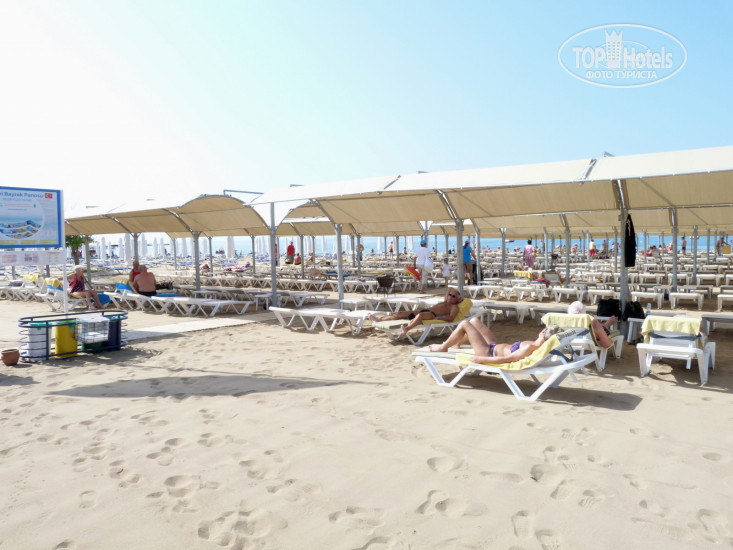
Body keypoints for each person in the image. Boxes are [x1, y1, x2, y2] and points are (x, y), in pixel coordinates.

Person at [427, 317, 562, 364]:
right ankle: (457, 343)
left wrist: (482, 359)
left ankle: (443, 347)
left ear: (543, 333)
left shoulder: (530, 347)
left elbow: (507, 359)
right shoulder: (535, 344)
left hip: (488, 353)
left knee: (465, 324)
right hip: (493, 346)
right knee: (474, 321)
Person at [368, 287, 464, 337]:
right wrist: (455, 295)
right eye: (450, 295)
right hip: (426, 310)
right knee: (400, 313)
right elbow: (450, 289)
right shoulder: (445, 301)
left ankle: (407, 328)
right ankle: (380, 320)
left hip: (432, 315)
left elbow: (451, 318)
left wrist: (438, 318)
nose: (450, 297)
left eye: (453, 296)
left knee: (420, 315)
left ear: (457, 299)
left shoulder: (454, 307)